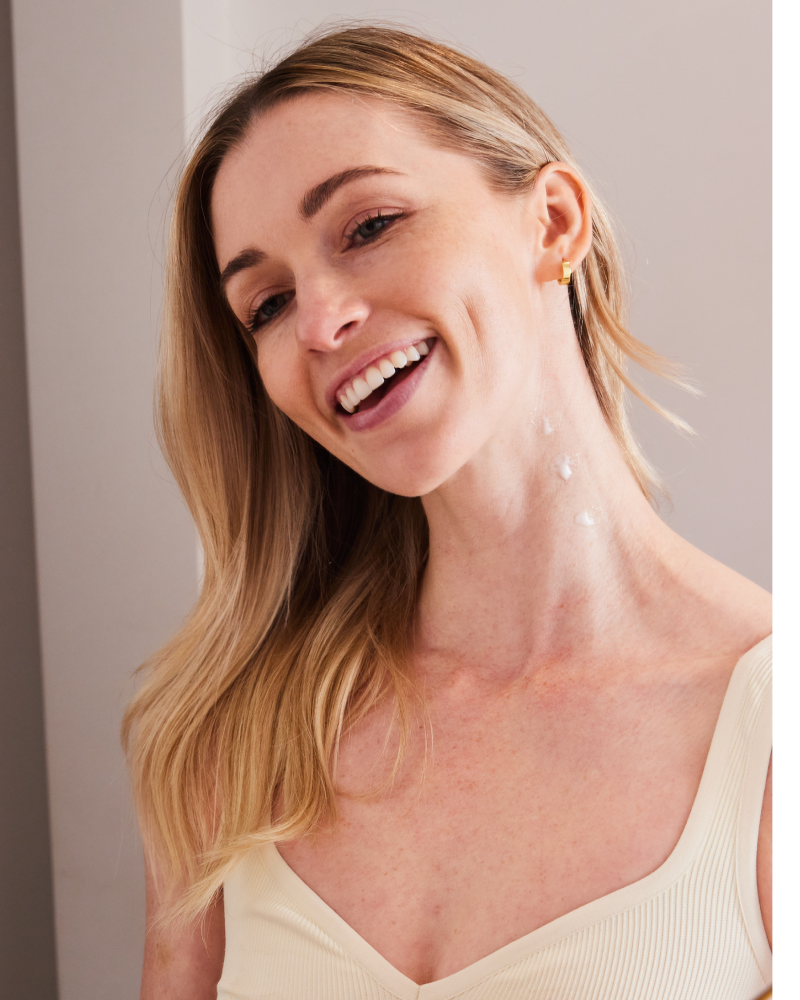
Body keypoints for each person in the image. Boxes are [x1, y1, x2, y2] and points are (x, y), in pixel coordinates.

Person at [125, 25, 772, 1000]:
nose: (318, 321)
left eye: (367, 225)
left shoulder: (767, 738)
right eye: (264, 302)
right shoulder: (228, 736)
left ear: (551, 221)